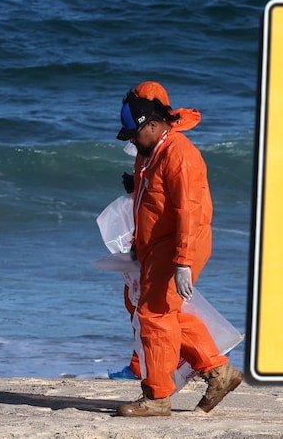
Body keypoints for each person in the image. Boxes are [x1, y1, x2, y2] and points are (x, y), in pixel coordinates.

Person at [114, 82, 243, 416]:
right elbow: (151, 199)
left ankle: (157, 398)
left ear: (153, 125)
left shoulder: (180, 156)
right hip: (155, 245)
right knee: (159, 311)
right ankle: (218, 371)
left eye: (133, 133)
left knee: (154, 315)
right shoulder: (150, 150)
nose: (130, 139)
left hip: (179, 246)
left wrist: (183, 262)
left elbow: (190, 213)